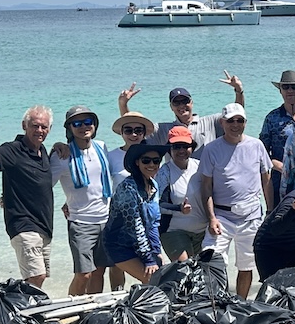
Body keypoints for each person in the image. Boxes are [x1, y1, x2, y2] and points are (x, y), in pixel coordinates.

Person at [197, 102, 273, 298]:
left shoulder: (257, 145)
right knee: (211, 260)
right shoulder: (211, 149)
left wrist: (270, 212)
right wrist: (212, 218)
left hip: (251, 216)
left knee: (246, 266)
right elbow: (206, 187)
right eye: (231, 121)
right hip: (222, 217)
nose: (235, 125)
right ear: (223, 122)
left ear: (245, 123)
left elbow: (267, 181)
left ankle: (240, 304)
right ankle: (218, 302)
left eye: (240, 120)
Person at [0, 106, 56, 290]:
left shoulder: (43, 151)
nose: (39, 131)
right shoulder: (14, 150)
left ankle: (26, 311)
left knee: (38, 279)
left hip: (43, 226)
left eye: (44, 127)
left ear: (49, 129)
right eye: (34, 126)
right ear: (24, 125)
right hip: (23, 224)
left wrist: (60, 147)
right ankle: (21, 311)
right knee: (36, 275)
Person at [48, 105, 113, 295]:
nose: (84, 126)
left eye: (88, 122)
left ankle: (93, 313)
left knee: (99, 271)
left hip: (105, 219)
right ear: (69, 127)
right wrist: (12, 197)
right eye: (77, 123)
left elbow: (99, 183)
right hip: (81, 222)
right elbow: (43, 185)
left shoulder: (101, 146)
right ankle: (72, 307)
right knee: (84, 273)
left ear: (95, 124)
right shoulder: (62, 155)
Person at [118, 75, 245, 150]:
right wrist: (123, 104)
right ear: (171, 107)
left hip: (208, 181)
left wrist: (238, 91)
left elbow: (236, 116)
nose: (181, 106)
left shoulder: (211, 122)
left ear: (192, 102)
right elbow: (133, 128)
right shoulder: (163, 129)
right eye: (176, 103)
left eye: (185, 101)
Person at [102, 141, 167, 284]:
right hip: (118, 245)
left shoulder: (154, 185)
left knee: (164, 278)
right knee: (153, 281)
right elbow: (135, 226)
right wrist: (149, 259)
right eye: (146, 160)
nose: (152, 165)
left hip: (140, 244)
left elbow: (154, 223)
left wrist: (156, 251)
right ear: (137, 162)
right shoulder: (128, 189)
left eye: (156, 161)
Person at [155, 126, 204, 263]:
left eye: (185, 146)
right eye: (176, 147)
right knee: (185, 269)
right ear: (169, 149)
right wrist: (179, 208)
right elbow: (158, 204)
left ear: (192, 147)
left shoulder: (201, 167)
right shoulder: (164, 172)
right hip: (174, 230)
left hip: (203, 231)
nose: (181, 150)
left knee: (202, 274)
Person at [259, 69, 295, 173]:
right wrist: (274, 164)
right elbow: (261, 151)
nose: (290, 90)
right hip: (279, 178)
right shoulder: (271, 118)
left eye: (294, 87)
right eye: (285, 87)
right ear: (280, 90)